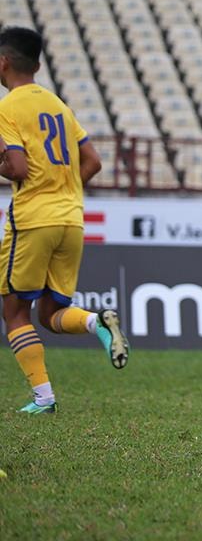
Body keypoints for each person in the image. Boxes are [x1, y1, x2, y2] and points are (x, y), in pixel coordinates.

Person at [0, 26, 128, 413]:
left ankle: (44, 398)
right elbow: (93, 161)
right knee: (49, 312)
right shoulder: (59, 105)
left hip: (34, 218)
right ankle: (97, 323)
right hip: (71, 219)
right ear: (37, 65)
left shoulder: (7, 108)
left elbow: (18, 168)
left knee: (15, 311)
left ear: (3, 62)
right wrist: (65, 187)